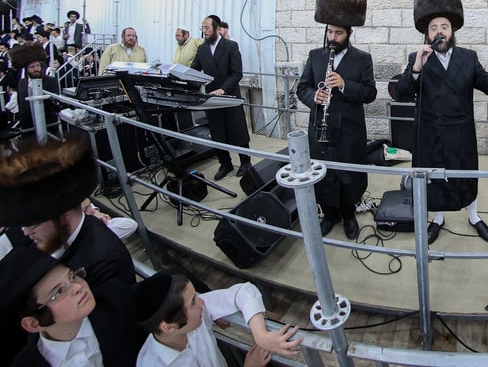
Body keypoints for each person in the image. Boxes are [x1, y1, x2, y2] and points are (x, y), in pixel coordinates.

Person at [396, 0, 488, 245]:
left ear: (452, 31)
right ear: (427, 34)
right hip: (430, 133)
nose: (439, 32)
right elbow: (403, 94)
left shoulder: (468, 57)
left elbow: (485, 84)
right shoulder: (418, 58)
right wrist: (416, 68)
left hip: (461, 132)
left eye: (444, 27)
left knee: (465, 175)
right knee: (435, 179)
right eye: (434, 28)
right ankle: (438, 219)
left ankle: (474, 216)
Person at [0, 135, 135, 287]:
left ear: (64, 216)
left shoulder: (104, 263)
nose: (26, 232)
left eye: (32, 225)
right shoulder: (41, 235)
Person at [296, 0, 377, 239]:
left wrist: (344, 85)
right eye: (330, 32)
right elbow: (302, 88)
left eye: (338, 33)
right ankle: (330, 214)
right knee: (324, 174)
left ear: (349, 33)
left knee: (349, 177)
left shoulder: (362, 59)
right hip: (320, 128)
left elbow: (370, 93)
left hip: (350, 131)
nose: (333, 37)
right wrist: (314, 97)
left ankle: (349, 214)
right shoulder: (315, 56)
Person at [5, 247, 144, 367]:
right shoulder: (27, 363)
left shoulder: (115, 299)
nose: (77, 286)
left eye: (72, 276)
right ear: (33, 323)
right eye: (59, 291)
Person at [131, 272, 301, 366]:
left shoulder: (190, 318)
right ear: (169, 326)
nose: (202, 302)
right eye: (193, 302)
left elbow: (244, 291)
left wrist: (261, 335)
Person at [191, 15, 253, 180]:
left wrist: (223, 89)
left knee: (237, 130)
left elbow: (237, 73)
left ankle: (245, 162)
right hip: (212, 98)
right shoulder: (202, 49)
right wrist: (181, 75)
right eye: (202, 28)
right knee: (217, 131)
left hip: (230, 95)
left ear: (217, 29)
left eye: (207, 28)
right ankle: (225, 164)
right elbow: (194, 69)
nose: (204, 31)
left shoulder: (231, 46)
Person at [9, 42, 60, 131]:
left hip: (48, 124)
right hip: (28, 125)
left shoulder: (51, 81)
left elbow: (55, 103)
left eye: (37, 66)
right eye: (32, 67)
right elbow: (21, 104)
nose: (36, 69)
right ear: (26, 69)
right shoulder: (21, 82)